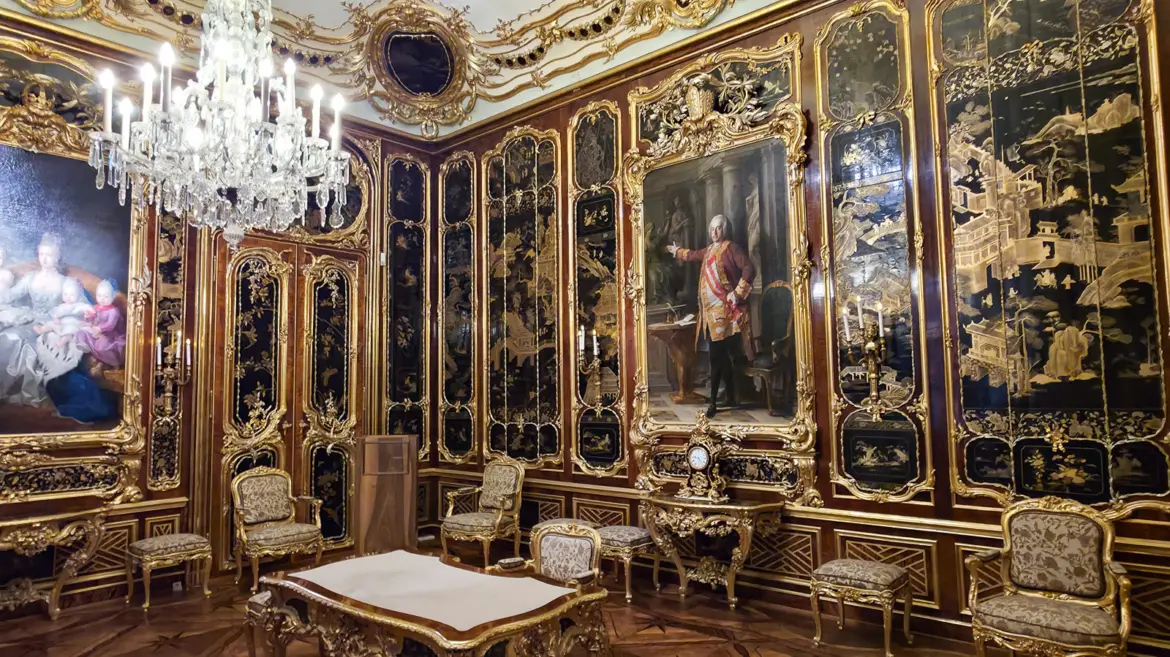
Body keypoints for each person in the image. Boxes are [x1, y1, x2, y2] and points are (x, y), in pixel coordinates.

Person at [667, 214, 755, 416]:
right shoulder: (709, 251)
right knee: (722, 357)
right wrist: (677, 252)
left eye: (718, 228)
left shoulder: (732, 248)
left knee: (717, 358)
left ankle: (713, 403)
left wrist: (737, 292)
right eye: (712, 229)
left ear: (725, 229)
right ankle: (731, 395)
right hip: (708, 313)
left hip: (725, 312)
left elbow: (749, 268)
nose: (715, 232)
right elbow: (694, 254)